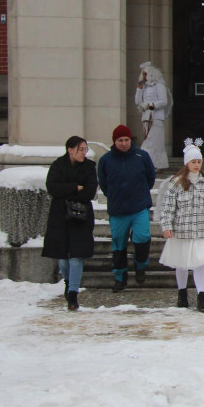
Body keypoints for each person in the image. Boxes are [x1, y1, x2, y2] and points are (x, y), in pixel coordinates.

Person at [158, 138, 204, 312]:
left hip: (201, 230)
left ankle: (202, 295)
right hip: (182, 229)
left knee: (200, 263)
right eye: (193, 161)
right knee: (181, 263)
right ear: (187, 163)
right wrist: (166, 225)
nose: (196, 165)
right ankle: (182, 293)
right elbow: (168, 207)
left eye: (199, 161)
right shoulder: (176, 183)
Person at [96, 124, 156, 292]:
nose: (124, 143)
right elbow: (104, 183)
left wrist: (140, 193)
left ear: (131, 140)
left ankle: (140, 265)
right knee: (119, 245)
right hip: (118, 210)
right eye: (120, 140)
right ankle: (120, 276)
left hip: (139, 207)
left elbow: (150, 178)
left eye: (127, 140)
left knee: (143, 237)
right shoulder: (106, 160)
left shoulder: (141, 156)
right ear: (114, 142)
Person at [42, 136, 98, 310]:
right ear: (70, 149)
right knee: (62, 257)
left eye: (85, 149)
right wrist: (75, 187)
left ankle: (73, 293)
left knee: (76, 256)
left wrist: (66, 190)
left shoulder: (89, 167)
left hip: (81, 216)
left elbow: (89, 192)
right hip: (59, 215)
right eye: (81, 149)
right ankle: (68, 281)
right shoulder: (58, 165)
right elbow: (52, 188)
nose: (84, 152)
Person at [134, 61, 172, 170]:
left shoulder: (159, 85)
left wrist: (150, 105)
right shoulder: (144, 87)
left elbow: (163, 101)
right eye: (143, 74)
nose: (144, 76)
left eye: (146, 74)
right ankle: (149, 164)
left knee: (154, 142)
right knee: (148, 141)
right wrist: (139, 88)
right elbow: (137, 101)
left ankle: (156, 164)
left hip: (156, 118)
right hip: (146, 118)